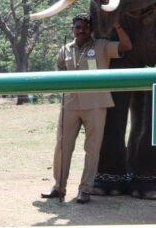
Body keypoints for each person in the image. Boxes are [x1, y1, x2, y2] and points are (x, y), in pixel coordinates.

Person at [42, 13, 132, 204]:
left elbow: (126, 46)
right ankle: (59, 187)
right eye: (77, 27)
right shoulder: (65, 49)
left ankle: (85, 189)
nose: (81, 30)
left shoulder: (102, 46)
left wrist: (117, 27)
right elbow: (59, 70)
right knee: (62, 147)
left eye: (84, 27)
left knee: (92, 149)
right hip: (70, 104)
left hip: (96, 104)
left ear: (91, 29)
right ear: (72, 29)